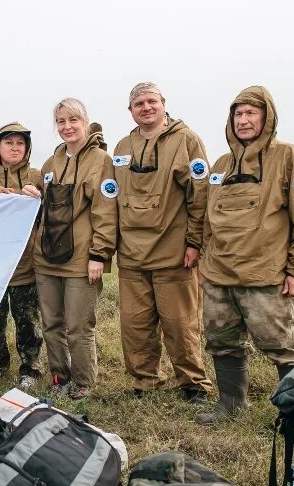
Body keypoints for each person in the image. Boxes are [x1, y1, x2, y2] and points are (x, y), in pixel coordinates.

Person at [195, 85, 294, 425]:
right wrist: (205, 263)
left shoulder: (288, 156)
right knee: (221, 341)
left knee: (282, 345)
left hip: (265, 274)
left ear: (267, 117)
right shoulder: (221, 164)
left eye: (251, 113)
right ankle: (230, 405)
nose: (244, 120)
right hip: (219, 274)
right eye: (238, 113)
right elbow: (209, 218)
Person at [112, 82, 214, 402]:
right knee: (135, 323)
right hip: (131, 254)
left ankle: (192, 383)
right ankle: (144, 381)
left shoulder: (187, 140)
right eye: (138, 103)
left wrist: (195, 242)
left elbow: (201, 195)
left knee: (180, 322)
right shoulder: (122, 148)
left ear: (163, 103)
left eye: (151, 101)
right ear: (130, 111)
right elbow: (111, 199)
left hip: (173, 251)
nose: (146, 107)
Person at [23, 99, 117, 399]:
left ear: (85, 122)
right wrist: (32, 195)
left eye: (73, 120)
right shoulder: (51, 163)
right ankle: (59, 376)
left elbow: (106, 210)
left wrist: (99, 255)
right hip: (47, 257)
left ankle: (83, 382)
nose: (67, 126)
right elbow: (47, 207)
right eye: (61, 121)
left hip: (81, 258)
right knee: (51, 323)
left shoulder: (101, 160)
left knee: (78, 325)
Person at [0, 123, 44, 389]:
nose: (15, 148)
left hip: (25, 264)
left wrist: (37, 198)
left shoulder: (37, 175)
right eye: (9, 143)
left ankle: (31, 369)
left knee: (28, 322)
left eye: (20, 143)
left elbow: (50, 214)